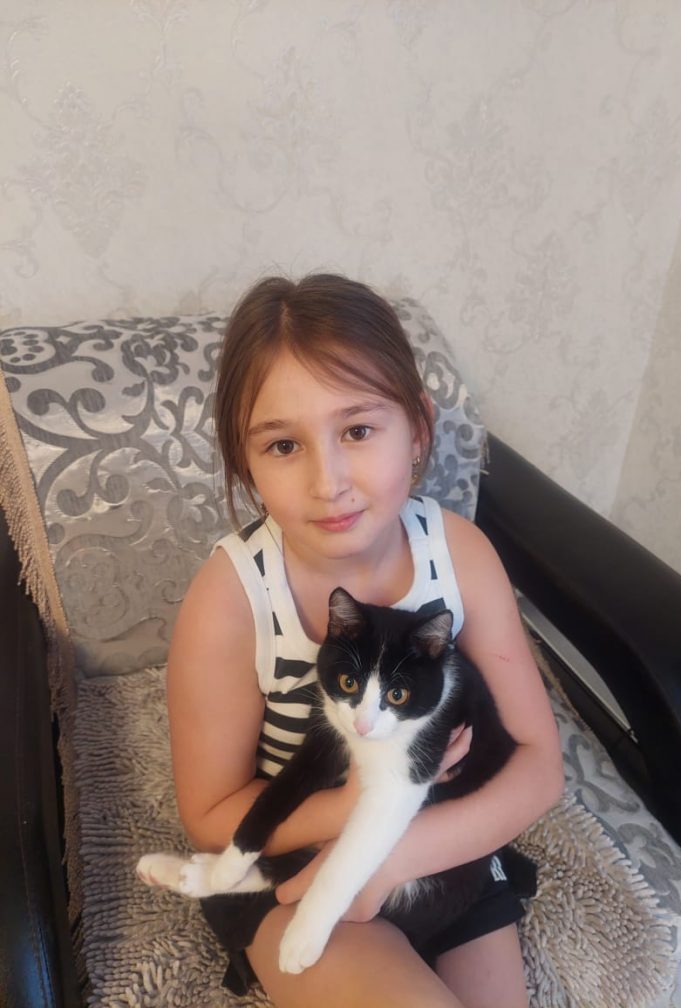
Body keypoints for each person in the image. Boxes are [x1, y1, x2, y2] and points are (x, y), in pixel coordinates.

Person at [168, 274, 564, 1008]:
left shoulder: (460, 555)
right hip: (295, 857)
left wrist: (392, 855)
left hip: (442, 847)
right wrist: (355, 806)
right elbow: (210, 811)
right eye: (284, 444)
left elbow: (539, 768)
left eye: (356, 431)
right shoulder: (230, 599)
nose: (329, 482)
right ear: (244, 462)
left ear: (417, 429)